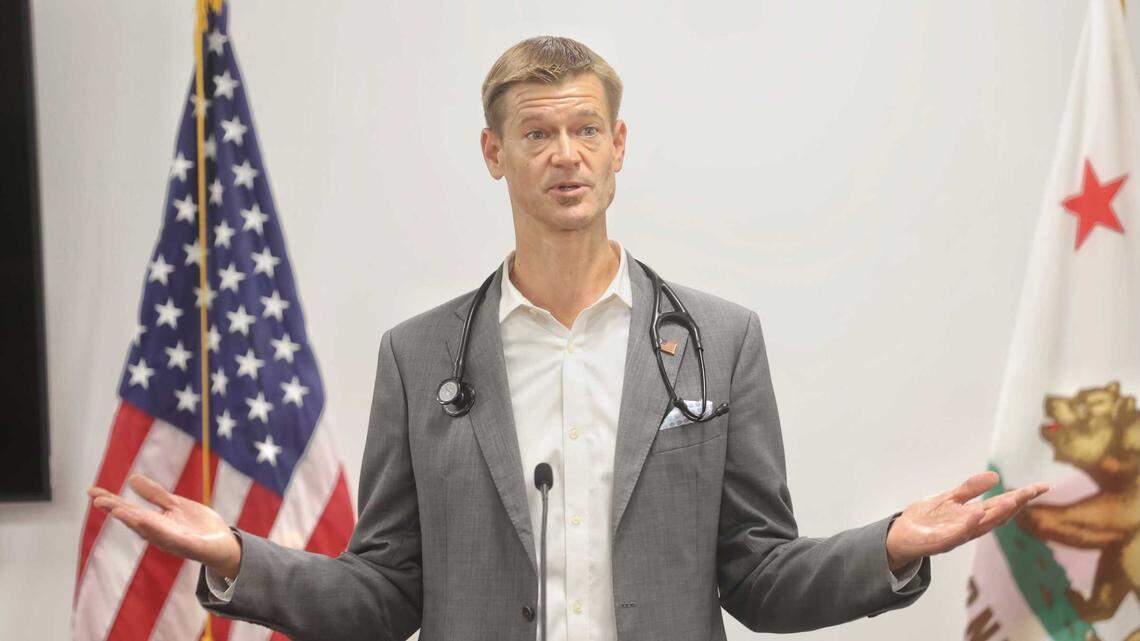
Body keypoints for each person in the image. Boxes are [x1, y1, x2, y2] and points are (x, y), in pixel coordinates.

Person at [88, 36, 1048, 641]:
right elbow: (385, 593)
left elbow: (758, 574)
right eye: (538, 133)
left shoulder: (717, 340)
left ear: (619, 148)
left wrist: (890, 545)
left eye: (587, 129)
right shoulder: (420, 357)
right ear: (493, 152)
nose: (566, 155)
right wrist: (237, 557)